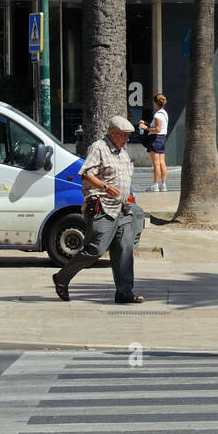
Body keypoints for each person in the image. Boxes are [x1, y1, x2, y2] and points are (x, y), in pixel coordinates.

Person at [52, 115, 144, 305]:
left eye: (128, 136)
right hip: (103, 207)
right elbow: (86, 174)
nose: (127, 139)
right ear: (113, 133)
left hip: (123, 209)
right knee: (95, 249)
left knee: (124, 251)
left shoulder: (122, 152)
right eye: (124, 136)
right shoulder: (99, 147)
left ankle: (124, 292)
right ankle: (62, 277)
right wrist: (104, 187)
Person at [138, 92, 169, 191]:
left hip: (155, 139)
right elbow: (158, 127)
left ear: (156, 103)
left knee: (156, 164)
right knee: (162, 163)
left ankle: (155, 185)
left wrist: (145, 127)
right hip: (162, 139)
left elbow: (157, 129)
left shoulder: (157, 115)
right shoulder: (164, 114)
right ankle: (163, 185)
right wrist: (147, 123)